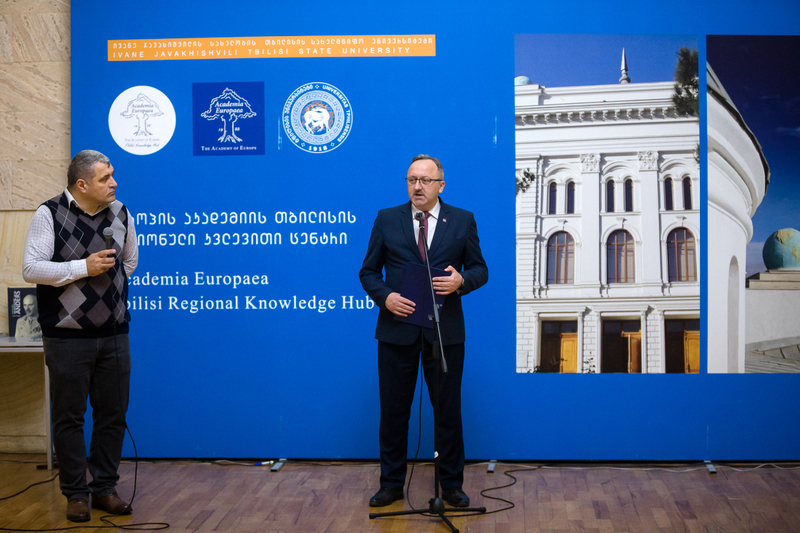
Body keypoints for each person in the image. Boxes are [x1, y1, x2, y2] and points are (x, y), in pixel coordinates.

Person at [359, 154, 488, 508]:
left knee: (447, 412)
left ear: (440, 185)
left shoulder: (462, 220)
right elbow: (368, 272)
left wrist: (462, 281)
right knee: (394, 412)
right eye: (412, 179)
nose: (418, 186)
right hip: (396, 330)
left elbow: (480, 269)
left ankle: (451, 486)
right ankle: (391, 484)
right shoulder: (387, 219)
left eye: (425, 180)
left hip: (444, 335)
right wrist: (386, 298)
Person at [22, 150, 138, 522]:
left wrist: (108, 295)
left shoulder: (120, 212)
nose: (114, 183)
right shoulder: (50, 213)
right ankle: (75, 493)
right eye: (106, 178)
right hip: (66, 336)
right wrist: (82, 269)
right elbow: (31, 268)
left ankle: (104, 488)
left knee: (113, 414)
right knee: (69, 417)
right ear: (82, 184)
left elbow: (130, 261)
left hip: (115, 334)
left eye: (113, 176)